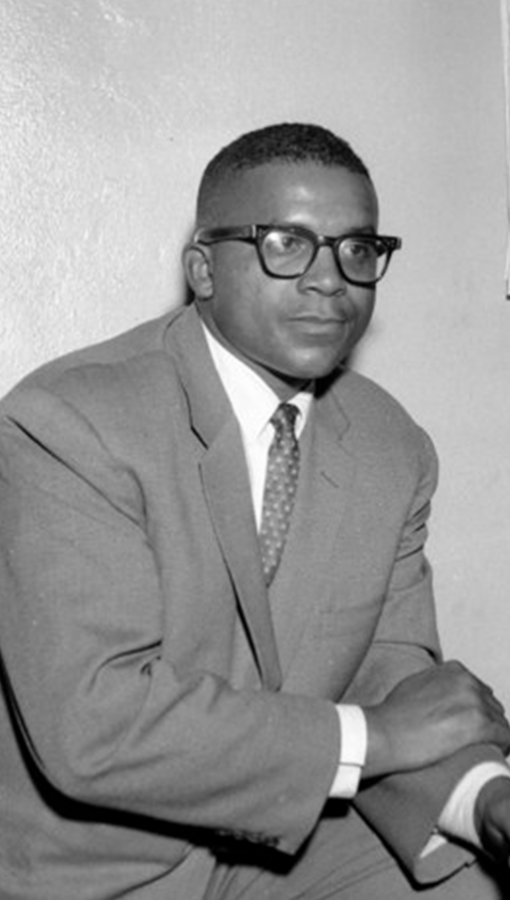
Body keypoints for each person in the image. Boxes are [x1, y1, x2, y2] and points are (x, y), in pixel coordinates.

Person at [0, 122, 510, 900]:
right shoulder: (67, 421)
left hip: (289, 839)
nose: (330, 280)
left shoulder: (391, 445)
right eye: (286, 244)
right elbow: (93, 727)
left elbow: (393, 678)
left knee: (470, 882)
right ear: (202, 269)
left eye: (358, 249)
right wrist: (374, 738)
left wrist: (486, 800)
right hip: (94, 863)